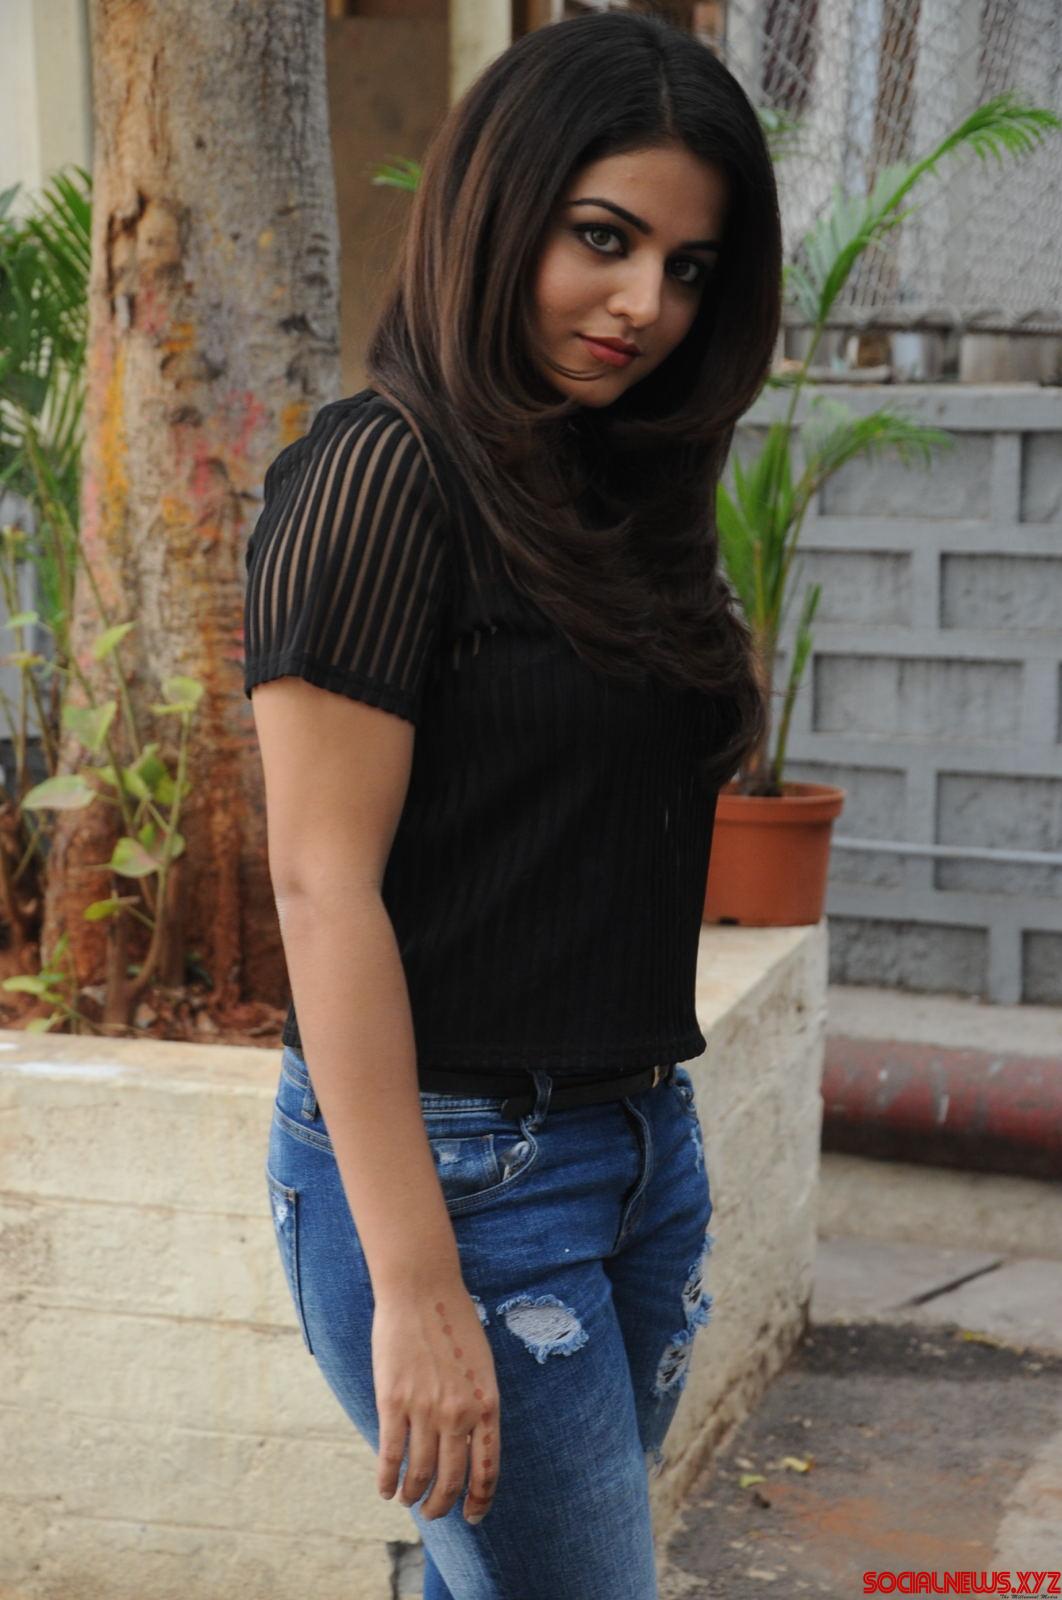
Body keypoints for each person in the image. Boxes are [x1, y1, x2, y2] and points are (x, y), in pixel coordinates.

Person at [243, 9, 781, 1596]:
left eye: (688, 267)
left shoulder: (617, 491)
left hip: (637, 1147)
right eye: (602, 239)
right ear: (497, 210)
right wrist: (416, 1286)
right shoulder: (381, 475)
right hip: (459, 1175)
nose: (644, 305)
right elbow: (320, 886)